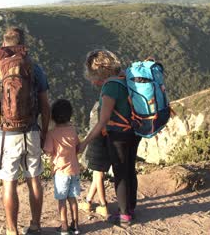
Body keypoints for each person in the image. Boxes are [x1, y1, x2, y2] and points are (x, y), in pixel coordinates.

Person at [0, 27, 50, 235]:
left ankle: (12, 230)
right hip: (31, 131)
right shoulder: (35, 70)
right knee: (34, 179)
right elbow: (45, 105)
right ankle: (35, 226)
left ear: (4, 45)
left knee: (9, 184)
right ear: (22, 44)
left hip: (6, 135)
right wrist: (45, 131)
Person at [78, 49, 141, 226]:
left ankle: (124, 215)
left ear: (97, 70)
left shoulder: (110, 87)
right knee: (130, 169)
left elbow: (102, 120)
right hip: (134, 131)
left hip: (118, 135)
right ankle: (131, 208)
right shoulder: (125, 77)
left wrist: (85, 143)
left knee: (120, 173)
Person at [43, 99, 81, 235]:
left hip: (60, 172)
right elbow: (77, 147)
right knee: (73, 199)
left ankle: (64, 227)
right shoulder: (72, 130)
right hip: (74, 171)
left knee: (61, 201)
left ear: (53, 117)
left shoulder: (52, 133)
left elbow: (48, 151)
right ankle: (75, 225)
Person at [78, 101, 109, 218]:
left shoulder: (101, 104)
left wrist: (86, 142)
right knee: (98, 174)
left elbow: (96, 125)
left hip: (98, 141)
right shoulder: (112, 101)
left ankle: (103, 205)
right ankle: (88, 201)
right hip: (108, 140)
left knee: (98, 174)